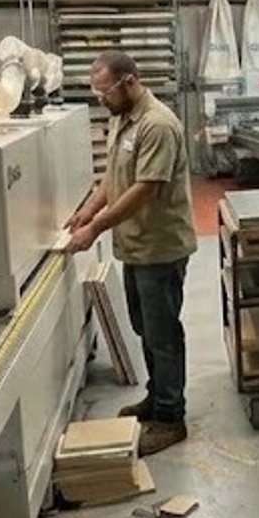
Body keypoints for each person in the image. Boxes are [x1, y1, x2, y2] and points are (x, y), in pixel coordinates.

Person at [65, 51, 195, 456]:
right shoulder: (122, 118)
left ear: (129, 82)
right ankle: (157, 398)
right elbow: (114, 177)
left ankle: (171, 418)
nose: (100, 98)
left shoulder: (158, 125)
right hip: (136, 246)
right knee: (145, 328)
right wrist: (88, 210)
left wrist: (94, 229)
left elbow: (145, 189)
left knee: (163, 334)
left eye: (104, 91)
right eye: (96, 92)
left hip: (160, 247)